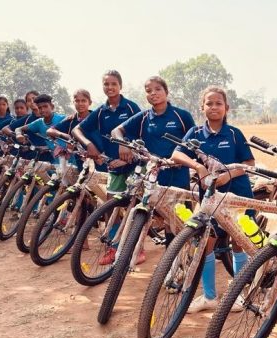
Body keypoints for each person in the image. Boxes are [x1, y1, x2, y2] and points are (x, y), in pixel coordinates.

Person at [170, 86, 254, 314]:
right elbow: (176, 154)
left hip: (237, 196)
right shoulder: (195, 133)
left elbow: (249, 164)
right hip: (209, 199)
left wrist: (229, 174)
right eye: (209, 103)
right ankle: (209, 297)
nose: (214, 107)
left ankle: (240, 295)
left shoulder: (234, 134)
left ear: (227, 108)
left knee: (239, 242)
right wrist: (197, 166)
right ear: (202, 107)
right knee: (206, 243)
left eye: (218, 103)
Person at [113, 76, 196, 264]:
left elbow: (194, 140)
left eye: (157, 89)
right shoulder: (143, 117)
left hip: (177, 174)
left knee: (179, 219)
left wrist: (184, 159)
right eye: (149, 91)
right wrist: (123, 145)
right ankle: (169, 262)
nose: (153, 93)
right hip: (152, 174)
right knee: (161, 217)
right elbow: (117, 131)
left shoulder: (181, 115)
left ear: (166, 92)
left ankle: (183, 261)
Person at [72, 70, 141, 265]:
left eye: (113, 84)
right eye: (106, 84)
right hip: (113, 166)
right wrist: (88, 144)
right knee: (111, 207)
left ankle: (138, 248)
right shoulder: (101, 111)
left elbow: (142, 131)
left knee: (134, 209)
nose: (109, 87)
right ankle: (114, 247)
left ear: (120, 86)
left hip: (134, 166)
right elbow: (77, 129)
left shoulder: (130, 107)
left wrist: (128, 151)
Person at [16, 93, 65, 163]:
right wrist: (19, 135)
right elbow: (18, 129)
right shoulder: (39, 122)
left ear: (52, 106)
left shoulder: (62, 119)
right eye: (40, 108)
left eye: (45, 106)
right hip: (55, 161)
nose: (42, 110)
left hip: (70, 161)